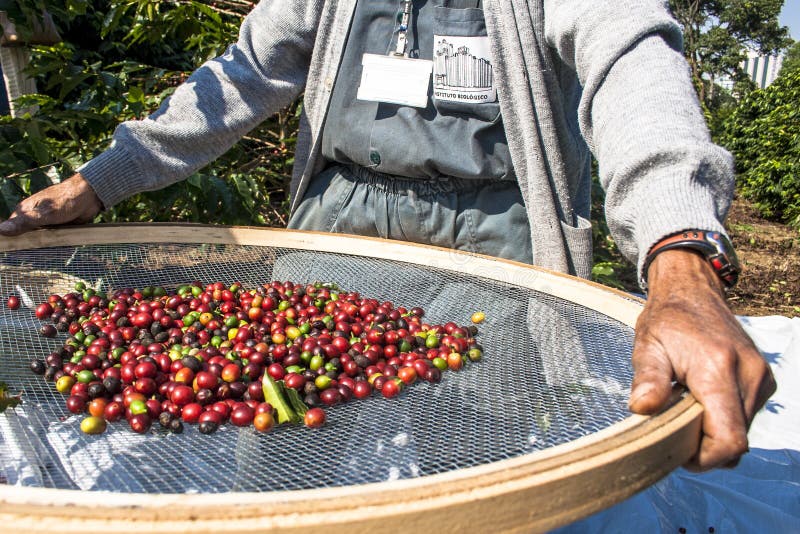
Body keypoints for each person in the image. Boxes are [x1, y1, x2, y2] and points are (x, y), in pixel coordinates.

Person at [0, 0, 774, 471]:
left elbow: (630, 58)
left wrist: (681, 255)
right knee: (287, 427)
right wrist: (100, 180)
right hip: (344, 218)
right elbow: (239, 74)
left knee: (477, 434)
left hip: (494, 228)